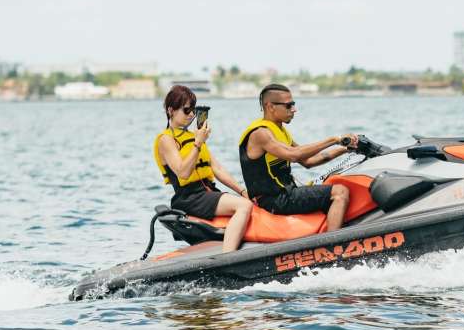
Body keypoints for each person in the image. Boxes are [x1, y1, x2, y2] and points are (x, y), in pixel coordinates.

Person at [238, 83, 359, 231]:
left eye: (293, 104)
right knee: (340, 192)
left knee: (337, 182)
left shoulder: (280, 131)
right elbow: (294, 155)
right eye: (289, 106)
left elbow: (309, 161)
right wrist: (335, 139)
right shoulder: (261, 134)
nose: (294, 109)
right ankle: (331, 245)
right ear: (270, 107)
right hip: (275, 200)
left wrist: (346, 149)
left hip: (286, 194)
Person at [154, 85, 253, 252]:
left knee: (249, 202)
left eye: (193, 110)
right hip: (189, 197)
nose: (192, 115)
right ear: (171, 110)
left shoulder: (194, 137)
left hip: (207, 192)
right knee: (243, 207)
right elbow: (183, 173)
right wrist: (198, 143)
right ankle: (228, 257)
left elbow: (218, 169)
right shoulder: (166, 140)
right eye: (186, 110)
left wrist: (243, 191)